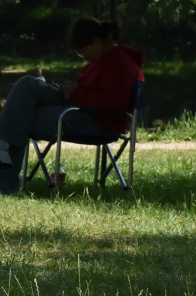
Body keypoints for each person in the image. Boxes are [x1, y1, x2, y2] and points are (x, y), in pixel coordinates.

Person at [0, 18, 144, 195]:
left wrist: (74, 94)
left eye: (84, 52)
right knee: (27, 84)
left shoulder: (119, 63)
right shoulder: (102, 60)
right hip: (78, 109)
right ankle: (5, 172)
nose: (84, 57)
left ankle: (5, 180)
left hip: (97, 120)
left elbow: (114, 103)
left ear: (97, 42)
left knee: (19, 117)